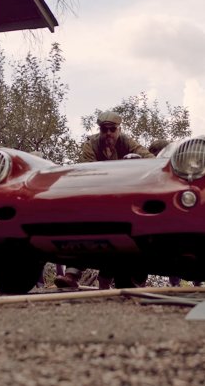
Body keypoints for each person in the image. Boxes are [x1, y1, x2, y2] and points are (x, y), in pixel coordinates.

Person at [54, 111, 154, 289]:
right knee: (84, 229)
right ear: (99, 130)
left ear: (119, 129)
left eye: (112, 129)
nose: (108, 133)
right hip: (95, 195)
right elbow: (85, 171)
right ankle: (71, 274)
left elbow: (150, 159)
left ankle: (118, 280)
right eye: (104, 129)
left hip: (120, 197)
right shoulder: (90, 144)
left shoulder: (127, 142)